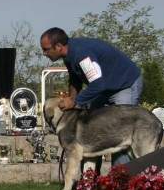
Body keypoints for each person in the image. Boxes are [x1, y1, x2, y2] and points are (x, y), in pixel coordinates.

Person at [40, 27, 143, 166]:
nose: (44, 53)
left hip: (124, 85)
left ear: (58, 46)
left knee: (119, 134)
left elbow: (98, 84)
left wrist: (75, 101)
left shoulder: (82, 54)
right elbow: (75, 79)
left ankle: (120, 182)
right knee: (92, 129)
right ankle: (91, 183)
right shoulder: (68, 55)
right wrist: (71, 98)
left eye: (46, 49)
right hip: (104, 88)